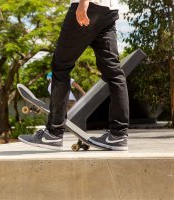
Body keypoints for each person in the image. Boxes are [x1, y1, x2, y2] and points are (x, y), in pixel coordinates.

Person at [18, 0, 129, 151]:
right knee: (114, 72)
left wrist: (83, 3)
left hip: (88, 6)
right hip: (109, 11)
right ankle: (118, 135)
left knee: (61, 67)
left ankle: (53, 133)